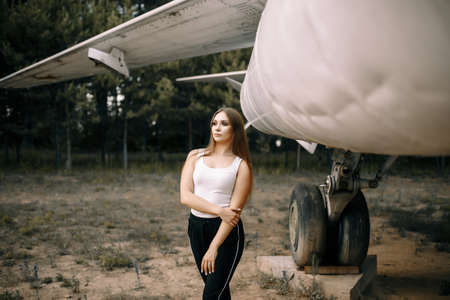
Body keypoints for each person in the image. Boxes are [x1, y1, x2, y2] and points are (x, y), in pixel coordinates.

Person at [180, 107, 253, 300]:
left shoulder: (241, 165)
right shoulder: (195, 156)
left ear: (235, 130)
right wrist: (220, 210)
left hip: (226, 234)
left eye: (224, 124)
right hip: (196, 228)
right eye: (214, 123)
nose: (217, 128)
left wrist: (214, 247)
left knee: (212, 294)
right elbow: (185, 196)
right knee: (219, 290)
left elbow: (233, 214)